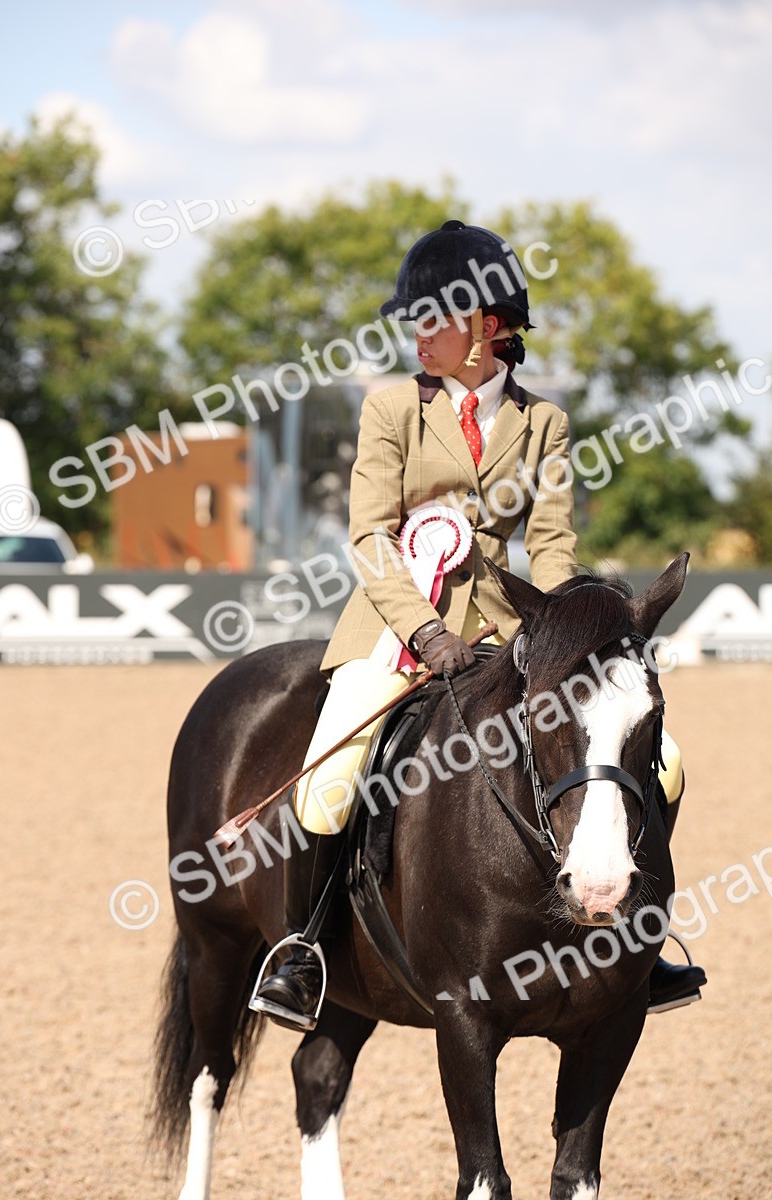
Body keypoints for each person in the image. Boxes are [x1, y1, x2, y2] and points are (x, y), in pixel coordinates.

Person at [250, 219, 705, 1031]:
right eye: (415, 321)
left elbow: (552, 546)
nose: (418, 335)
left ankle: (642, 939)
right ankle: (301, 951)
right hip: (394, 628)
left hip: (508, 630)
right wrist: (425, 632)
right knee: (329, 783)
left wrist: (568, 637)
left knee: (663, 765)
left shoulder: (544, 423)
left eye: (433, 319)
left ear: (487, 326)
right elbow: (369, 535)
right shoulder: (391, 409)